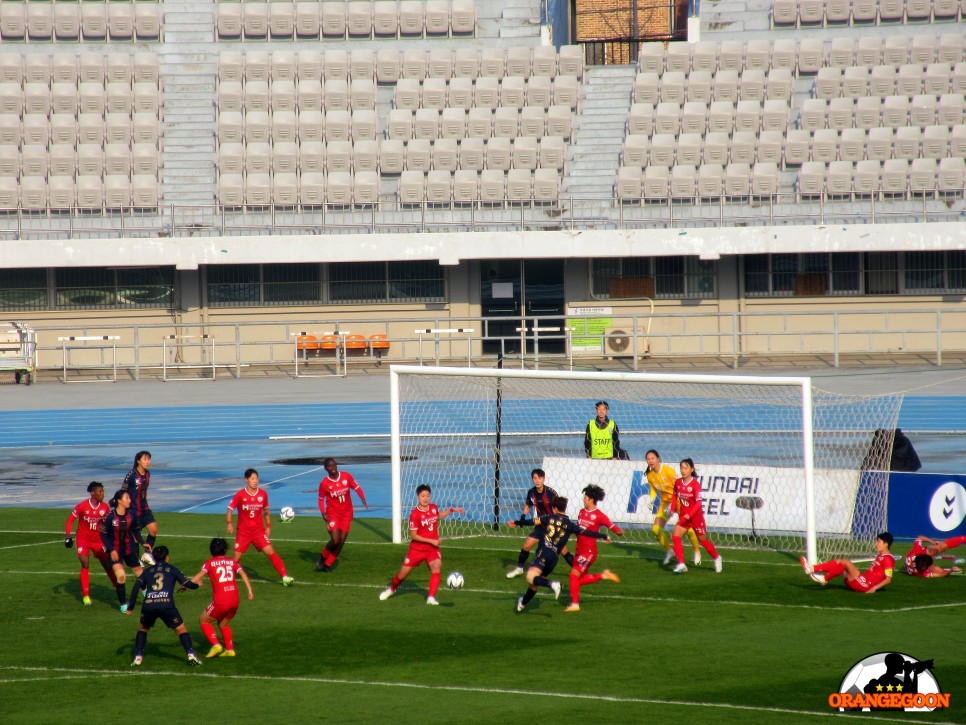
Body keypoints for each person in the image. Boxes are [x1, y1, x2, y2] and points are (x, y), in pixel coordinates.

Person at [511, 495, 611, 612]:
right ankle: (522, 603)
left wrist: (517, 522)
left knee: (530, 578)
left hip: (544, 552)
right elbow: (587, 532)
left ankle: (553, 584)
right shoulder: (570, 525)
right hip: (553, 559)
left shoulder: (548, 517)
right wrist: (603, 535)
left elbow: (532, 521)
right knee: (535, 582)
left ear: (555, 508)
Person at [379, 484, 464, 605]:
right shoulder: (415, 515)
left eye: (428, 495)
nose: (425, 498)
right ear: (417, 496)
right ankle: (391, 589)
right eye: (423, 496)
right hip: (417, 550)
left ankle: (431, 598)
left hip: (432, 549)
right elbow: (414, 536)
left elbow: (438, 516)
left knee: (437, 566)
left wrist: (451, 510)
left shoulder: (433, 507)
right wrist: (431, 540)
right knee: (402, 576)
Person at [125, 545, 202, 667]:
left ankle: (138, 657)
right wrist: (197, 585)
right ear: (167, 557)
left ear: (154, 558)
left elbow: (136, 587)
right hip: (166, 605)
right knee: (181, 629)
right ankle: (191, 654)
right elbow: (187, 583)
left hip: (149, 605)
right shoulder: (172, 569)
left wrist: (130, 608)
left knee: (143, 628)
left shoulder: (147, 571)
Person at [183, 538, 253, 658]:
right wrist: (250, 590)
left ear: (211, 550)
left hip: (221, 601)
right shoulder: (232, 562)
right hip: (235, 600)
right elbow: (243, 573)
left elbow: (200, 575)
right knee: (223, 624)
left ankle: (216, 645)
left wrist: (186, 585)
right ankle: (230, 650)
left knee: (203, 620)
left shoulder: (209, 563)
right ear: (225, 549)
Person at [226, 468, 294, 587]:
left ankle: (284, 577)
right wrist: (229, 523)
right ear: (246, 480)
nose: (255, 481)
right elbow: (230, 510)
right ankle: (227, 578)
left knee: (270, 552)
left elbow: (266, 511)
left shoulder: (263, 494)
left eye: (256, 478)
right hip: (243, 532)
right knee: (236, 558)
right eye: (252, 479)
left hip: (258, 531)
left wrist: (268, 526)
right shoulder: (240, 495)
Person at [565, 484, 623, 612]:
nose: (583, 499)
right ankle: (604, 575)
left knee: (573, 576)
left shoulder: (599, 515)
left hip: (589, 551)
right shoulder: (581, 512)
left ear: (591, 499)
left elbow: (611, 525)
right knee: (579, 579)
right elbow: (578, 530)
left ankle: (575, 604)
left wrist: (618, 532)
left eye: (585, 497)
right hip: (579, 550)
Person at [644, 450, 703, 567]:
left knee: (688, 528)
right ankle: (670, 551)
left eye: (652, 458)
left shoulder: (668, 471)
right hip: (665, 503)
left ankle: (696, 551)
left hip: (679, 501)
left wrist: (676, 503)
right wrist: (651, 499)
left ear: (658, 459)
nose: (650, 461)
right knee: (655, 529)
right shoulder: (650, 475)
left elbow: (678, 487)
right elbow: (653, 489)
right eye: (648, 459)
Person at [64, 481, 119, 606]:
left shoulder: (105, 507)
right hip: (83, 539)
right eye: (100, 492)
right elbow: (70, 521)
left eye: (103, 491)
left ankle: (117, 587)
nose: (102, 494)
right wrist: (68, 536)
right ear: (92, 493)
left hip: (98, 540)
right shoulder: (82, 506)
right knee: (85, 563)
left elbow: (108, 524)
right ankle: (86, 597)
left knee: (107, 565)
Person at [669, 458, 723, 574]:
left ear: (691, 469)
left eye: (686, 468)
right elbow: (674, 494)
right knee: (675, 536)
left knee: (703, 541)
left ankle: (717, 558)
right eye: (682, 468)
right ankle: (682, 563)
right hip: (684, 517)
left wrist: (690, 514)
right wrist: (673, 508)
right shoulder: (678, 482)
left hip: (696, 518)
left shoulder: (695, 485)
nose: (683, 470)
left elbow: (698, 503)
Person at [505, 468, 561, 579]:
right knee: (526, 546)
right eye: (535, 478)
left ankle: (577, 571)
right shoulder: (531, 492)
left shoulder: (551, 493)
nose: (537, 480)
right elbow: (528, 505)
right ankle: (519, 569)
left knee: (559, 551)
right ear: (532, 479)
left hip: (551, 527)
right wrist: (523, 516)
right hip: (540, 526)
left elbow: (558, 509)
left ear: (543, 479)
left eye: (540, 478)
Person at [316, 457, 368, 572]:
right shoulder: (324, 483)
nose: (333, 467)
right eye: (330, 466)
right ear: (325, 468)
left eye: (334, 465)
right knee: (335, 540)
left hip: (347, 513)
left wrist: (362, 497)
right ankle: (322, 558)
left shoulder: (346, 476)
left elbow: (356, 487)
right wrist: (323, 513)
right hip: (333, 513)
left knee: (341, 542)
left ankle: (327, 565)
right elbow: (320, 499)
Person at [101, 489, 148, 612]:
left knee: (141, 576)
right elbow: (103, 535)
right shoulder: (109, 517)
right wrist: (111, 550)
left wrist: (143, 543)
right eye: (127, 498)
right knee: (121, 576)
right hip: (115, 551)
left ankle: (147, 595)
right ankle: (123, 605)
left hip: (129, 549)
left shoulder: (132, 515)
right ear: (119, 501)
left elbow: (135, 531)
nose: (130, 500)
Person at [800, 532, 895, 593]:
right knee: (839, 563)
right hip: (863, 581)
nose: (876, 544)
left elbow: (888, 580)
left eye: (878, 542)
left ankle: (824, 578)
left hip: (866, 585)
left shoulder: (888, 559)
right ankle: (813, 569)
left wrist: (874, 588)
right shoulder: (881, 556)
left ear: (886, 544)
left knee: (846, 563)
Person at [121, 450, 158, 567]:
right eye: (145, 459)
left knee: (153, 529)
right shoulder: (131, 475)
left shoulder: (147, 474)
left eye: (149, 459)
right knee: (136, 536)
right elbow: (123, 490)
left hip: (144, 508)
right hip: (133, 509)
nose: (148, 462)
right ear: (138, 460)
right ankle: (136, 559)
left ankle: (147, 554)